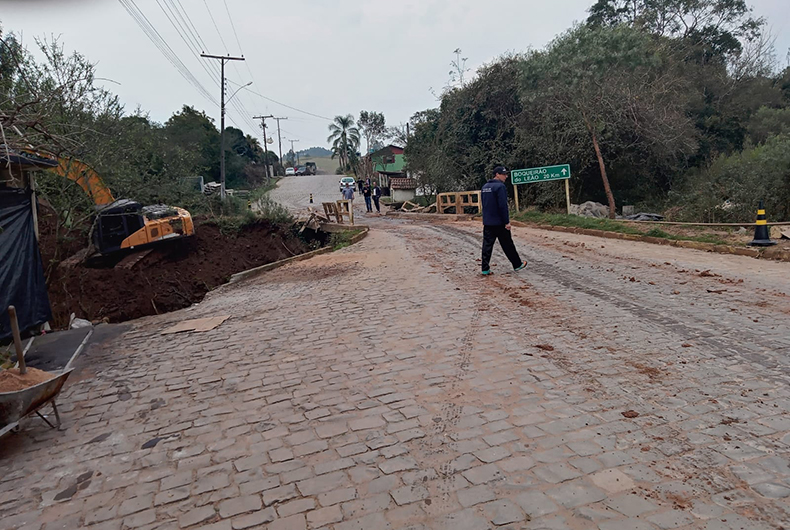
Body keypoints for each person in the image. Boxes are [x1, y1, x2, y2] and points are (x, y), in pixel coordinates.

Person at [480, 166, 527, 275]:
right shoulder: (500, 187)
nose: (506, 176)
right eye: (504, 174)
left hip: (488, 222)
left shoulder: (485, 187)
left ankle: (485, 269)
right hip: (499, 222)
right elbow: (503, 206)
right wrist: (506, 222)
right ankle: (517, 264)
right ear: (497, 174)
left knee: (487, 246)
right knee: (508, 244)